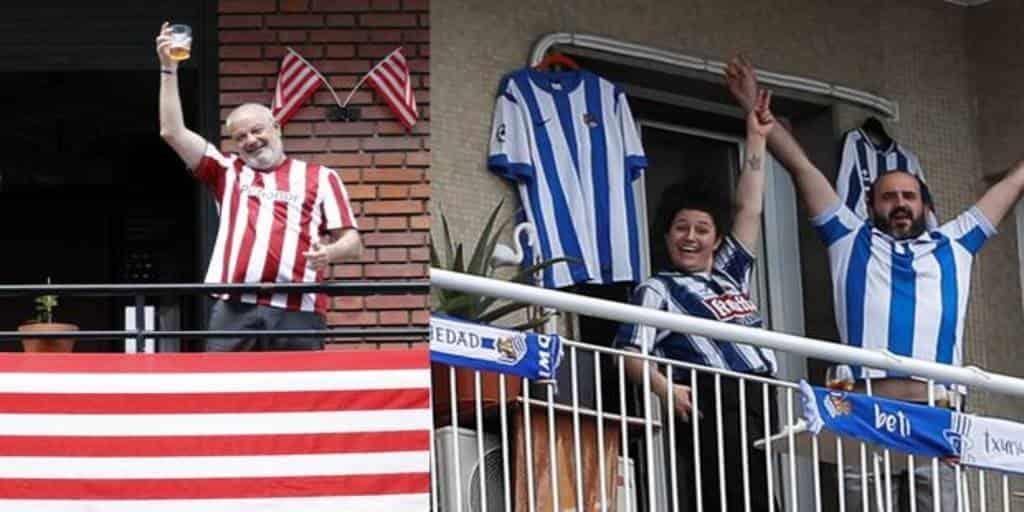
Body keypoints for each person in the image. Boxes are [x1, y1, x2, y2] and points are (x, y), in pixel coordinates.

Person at [725, 54, 1024, 511]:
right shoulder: (849, 237)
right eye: (889, 197)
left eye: (909, 196)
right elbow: (803, 169)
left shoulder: (955, 243)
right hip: (866, 414)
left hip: (936, 415)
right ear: (870, 205)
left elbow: (1007, 189)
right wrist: (756, 112)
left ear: (926, 205)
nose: (900, 204)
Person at [614, 88, 778, 512]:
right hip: (709, 394)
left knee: (760, 493)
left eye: (701, 229)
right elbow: (630, 351)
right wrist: (665, 389)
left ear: (716, 238)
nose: (690, 237)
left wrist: (756, 138)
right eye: (681, 227)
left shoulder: (730, 274)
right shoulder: (658, 288)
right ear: (667, 235)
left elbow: (749, 210)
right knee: (721, 493)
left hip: (759, 395)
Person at [156, 22, 361, 351]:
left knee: (298, 397)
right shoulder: (226, 171)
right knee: (226, 394)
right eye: (240, 137)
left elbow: (352, 241)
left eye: (257, 130)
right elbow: (172, 132)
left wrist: (331, 252)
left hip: (299, 308)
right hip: (234, 307)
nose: (250, 140)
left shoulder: (321, 177)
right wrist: (168, 68)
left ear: (276, 127)